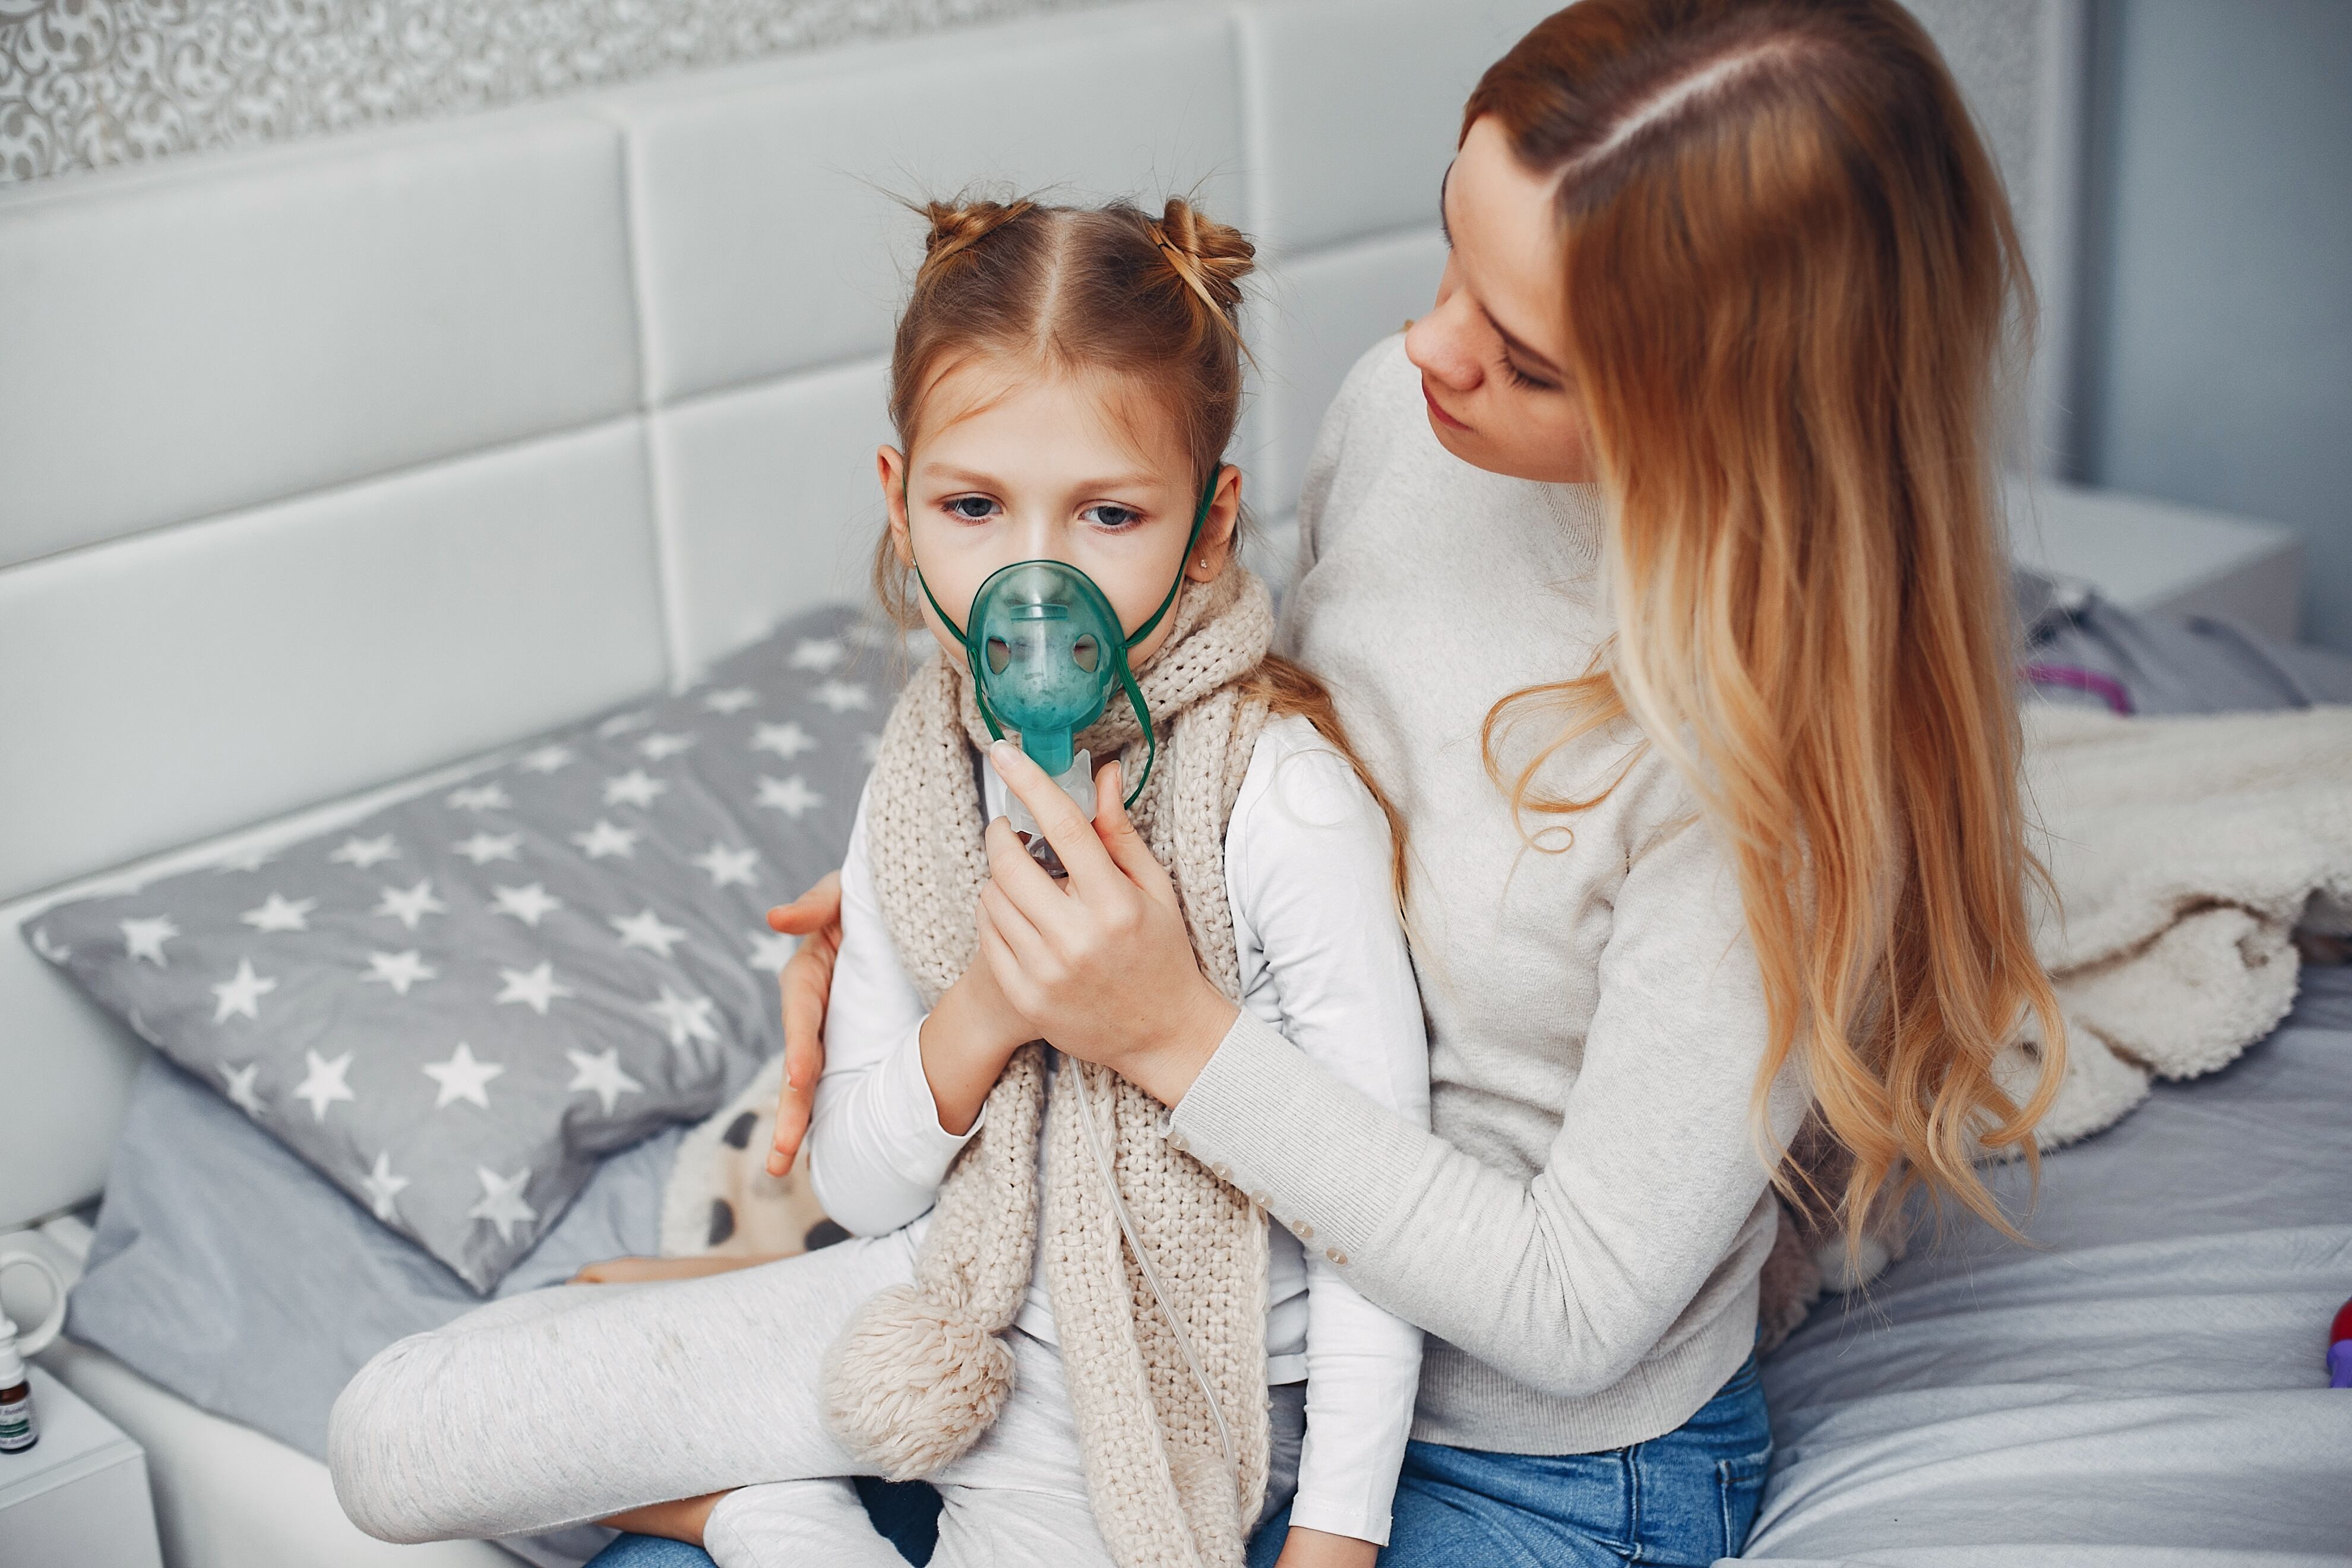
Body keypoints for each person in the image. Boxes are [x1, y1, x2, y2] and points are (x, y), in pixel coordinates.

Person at [760, 2, 2066, 1564]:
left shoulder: (1760, 777)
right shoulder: (1410, 417)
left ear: (1724, 409)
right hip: (1226, 1335)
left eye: (1525, 358)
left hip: (1545, 1462)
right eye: (1455, 255)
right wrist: (931, 903)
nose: (1428, 348)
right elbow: (1264, 731)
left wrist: (1171, 1034)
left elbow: (1576, 1314)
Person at [327, 193, 1430, 1568]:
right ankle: (768, 1497)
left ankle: (757, 1510)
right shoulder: (922, 774)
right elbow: (858, 1177)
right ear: (901, 509)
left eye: (1108, 514)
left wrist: (1336, 1539)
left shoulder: (1279, 800)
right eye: (976, 506)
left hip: (1146, 1384)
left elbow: (1382, 1223)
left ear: (1208, 530)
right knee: (394, 1432)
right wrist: (987, 1004)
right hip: (932, 1299)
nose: (1035, 577)